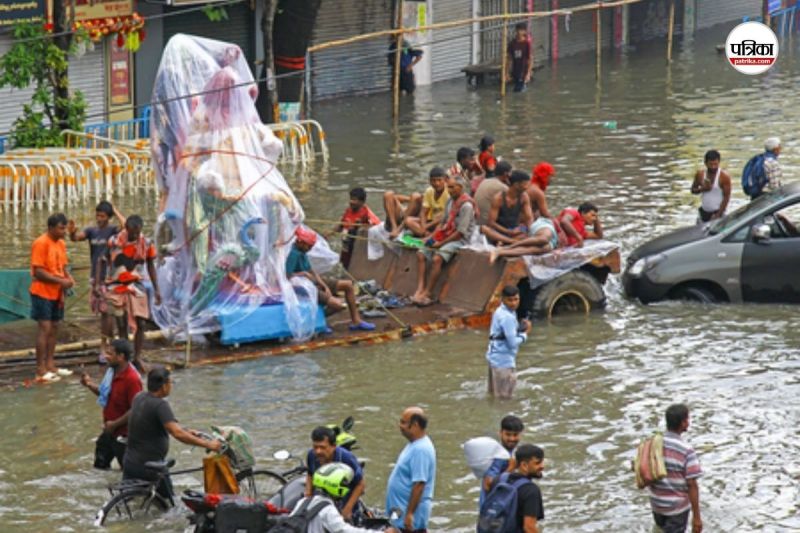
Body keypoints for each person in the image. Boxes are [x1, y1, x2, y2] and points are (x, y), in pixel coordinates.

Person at [124, 367, 223, 498]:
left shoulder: (139, 397)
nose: (171, 386)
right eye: (170, 383)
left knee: (131, 501)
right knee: (170, 504)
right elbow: (177, 433)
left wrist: (186, 430)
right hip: (151, 466)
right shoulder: (160, 405)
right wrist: (208, 444)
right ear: (164, 386)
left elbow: (156, 423)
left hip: (130, 462)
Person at [99, 215, 162, 372]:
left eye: (137, 232)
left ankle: (137, 357)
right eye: (132, 232)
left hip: (137, 285)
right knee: (121, 324)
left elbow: (151, 265)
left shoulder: (146, 243)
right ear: (126, 228)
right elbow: (102, 260)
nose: (134, 235)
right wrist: (99, 283)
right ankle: (125, 358)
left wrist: (157, 289)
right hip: (116, 285)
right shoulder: (114, 241)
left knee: (141, 322)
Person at [287, 227, 376, 331]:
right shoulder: (293, 254)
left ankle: (356, 321)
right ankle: (317, 321)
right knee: (338, 305)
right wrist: (303, 274)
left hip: (311, 281)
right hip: (301, 285)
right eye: (309, 246)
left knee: (348, 285)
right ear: (301, 243)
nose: (310, 249)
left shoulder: (302, 252)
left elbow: (312, 271)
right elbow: (286, 276)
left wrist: (324, 286)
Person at [68, 201, 125, 354]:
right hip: (95, 276)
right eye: (97, 215)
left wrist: (115, 209)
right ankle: (109, 343)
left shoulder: (113, 230)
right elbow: (76, 238)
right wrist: (72, 232)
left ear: (109, 217)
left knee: (107, 313)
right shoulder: (91, 231)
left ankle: (105, 345)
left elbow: (126, 226)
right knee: (103, 312)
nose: (99, 219)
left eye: (103, 216)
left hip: (109, 277)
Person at [412, 176, 476, 306]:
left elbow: (460, 232)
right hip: (446, 233)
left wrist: (440, 244)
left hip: (460, 239)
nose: (449, 190)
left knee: (437, 258)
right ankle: (420, 287)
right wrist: (432, 238)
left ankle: (428, 292)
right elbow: (443, 223)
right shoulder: (450, 201)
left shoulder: (467, 206)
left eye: (452, 187)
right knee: (421, 253)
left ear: (460, 188)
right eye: (449, 187)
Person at [80, 338, 142, 469]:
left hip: (125, 435)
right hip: (110, 430)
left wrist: (114, 424)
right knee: (99, 467)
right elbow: (105, 394)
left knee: (128, 472)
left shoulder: (132, 379)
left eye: (110, 354)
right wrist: (89, 384)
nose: (105, 356)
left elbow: (136, 409)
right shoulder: (112, 373)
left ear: (121, 356)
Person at [30, 213, 75, 383]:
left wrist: (68, 278)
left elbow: (63, 267)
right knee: (45, 327)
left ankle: (50, 364)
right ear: (51, 228)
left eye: (64, 228)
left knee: (55, 326)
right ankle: (40, 368)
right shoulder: (40, 243)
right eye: (61, 228)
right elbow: (38, 272)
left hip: (57, 292)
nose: (64, 231)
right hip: (42, 291)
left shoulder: (61, 244)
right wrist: (61, 281)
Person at [291, 462, 398, 533]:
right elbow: (345, 531)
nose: (347, 487)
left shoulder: (304, 501)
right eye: (344, 484)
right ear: (335, 486)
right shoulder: (327, 509)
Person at [649, 404, 702, 533]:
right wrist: (696, 517)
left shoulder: (653, 444)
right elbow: (692, 484)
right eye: (687, 419)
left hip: (657, 505)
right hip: (676, 509)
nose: (688, 422)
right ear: (683, 423)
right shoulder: (686, 450)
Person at [386, 407, 436, 533]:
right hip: (399, 510)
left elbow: (419, 484)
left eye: (403, 422)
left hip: (409, 514)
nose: (400, 425)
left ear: (415, 425)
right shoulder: (414, 444)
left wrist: (409, 514)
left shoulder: (421, 450)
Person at [304, 426, 365, 521]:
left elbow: (360, 484)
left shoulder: (346, 458)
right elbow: (310, 474)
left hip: (344, 504)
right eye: (315, 447)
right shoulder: (311, 455)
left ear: (333, 446)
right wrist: (308, 495)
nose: (318, 451)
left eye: (323, 447)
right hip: (322, 504)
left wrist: (347, 509)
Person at [483, 444, 545, 532]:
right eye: (537, 463)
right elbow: (529, 527)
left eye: (542, 462)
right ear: (524, 465)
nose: (542, 466)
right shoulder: (531, 490)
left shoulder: (499, 479)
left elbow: (486, 485)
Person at [485, 286, 530, 399]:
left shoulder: (500, 311)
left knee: (493, 394)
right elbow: (512, 343)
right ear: (503, 299)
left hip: (494, 358)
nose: (514, 303)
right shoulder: (507, 317)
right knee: (504, 399)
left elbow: (504, 333)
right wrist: (525, 334)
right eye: (510, 300)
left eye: (516, 299)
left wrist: (518, 329)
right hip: (503, 362)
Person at [479, 415, 524, 506]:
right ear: (500, 433)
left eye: (515, 435)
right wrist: (511, 468)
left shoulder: (513, 452)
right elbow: (487, 485)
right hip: (492, 509)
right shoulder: (496, 455)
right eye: (508, 434)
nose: (512, 439)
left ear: (520, 434)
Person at [480, 171, 534, 245]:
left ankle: (504, 242)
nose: (528, 187)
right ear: (516, 185)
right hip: (499, 231)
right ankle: (512, 242)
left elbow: (529, 218)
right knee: (484, 229)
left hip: (514, 229)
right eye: (526, 184)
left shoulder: (524, 197)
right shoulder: (498, 198)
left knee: (526, 230)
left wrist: (526, 229)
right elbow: (491, 222)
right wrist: (508, 232)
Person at [336, 187, 381, 268]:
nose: (351, 202)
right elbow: (341, 225)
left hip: (356, 245)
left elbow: (375, 227)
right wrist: (329, 233)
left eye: (354, 199)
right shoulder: (348, 210)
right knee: (344, 262)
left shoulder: (366, 214)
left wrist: (359, 226)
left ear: (362, 202)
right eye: (350, 199)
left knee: (353, 263)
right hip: (346, 242)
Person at [488, 217, 560, 264]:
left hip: (552, 242)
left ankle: (500, 252)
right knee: (544, 239)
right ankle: (508, 247)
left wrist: (557, 250)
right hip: (545, 227)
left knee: (542, 248)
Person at [404, 167, 450, 237]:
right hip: (430, 221)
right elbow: (423, 212)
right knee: (408, 220)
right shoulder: (429, 191)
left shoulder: (449, 193)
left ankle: (429, 236)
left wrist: (426, 226)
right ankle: (427, 235)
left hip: (442, 222)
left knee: (441, 220)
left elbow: (445, 216)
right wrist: (423, 226)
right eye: (433, 180)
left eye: (439, 180)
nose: (437, 183)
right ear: (430, 181)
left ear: (445, 180)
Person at [690, 150, 731, 222]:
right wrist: (703, 189)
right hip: (703, 213)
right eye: (710, 164)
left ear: (719, 162)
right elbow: (693, 190)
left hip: (718, 213)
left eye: (715, 164)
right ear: (705, 163)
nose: (713, 167)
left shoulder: (724, 177)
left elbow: (726, 198)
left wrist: (718, 215)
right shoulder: (700, 174)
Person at [475, 161, 512, 226]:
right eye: (510, 172)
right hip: (486, 223)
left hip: (477, 220)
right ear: (506, 174)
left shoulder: (485, 180)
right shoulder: (503, 187)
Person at [507, 22, 533, 92]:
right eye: (518, 30)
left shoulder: (526, 43)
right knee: (516, 90)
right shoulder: (512, 44)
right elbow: (509, 59)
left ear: (524, 31)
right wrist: (506, 73)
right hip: (515, 71)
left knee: (521, 91)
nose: (519, 32)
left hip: (524, 72)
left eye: (521, 30)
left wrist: (528, 73)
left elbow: (530, 59)